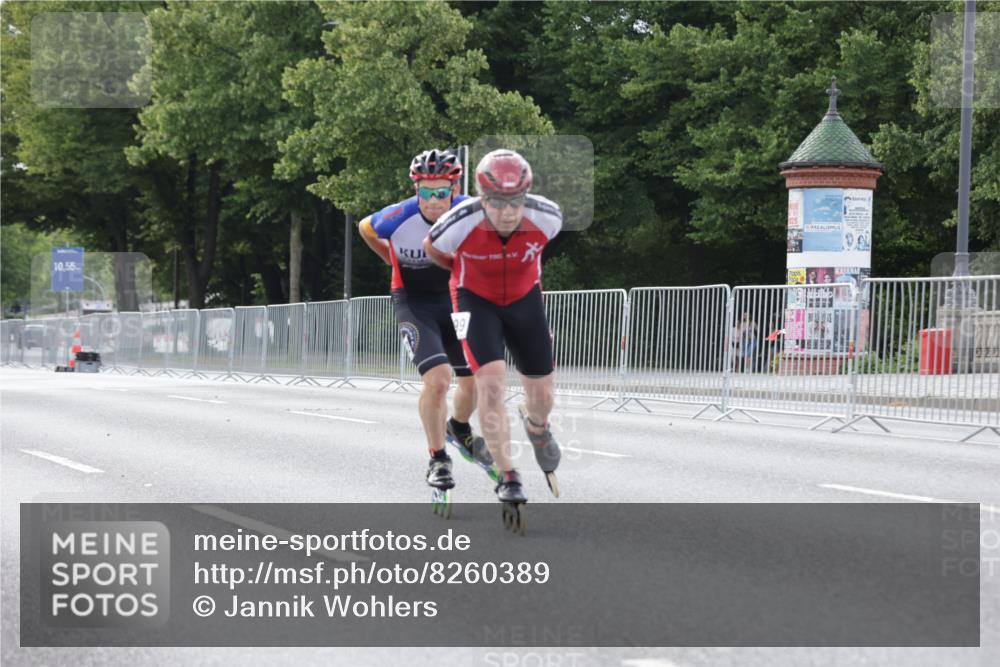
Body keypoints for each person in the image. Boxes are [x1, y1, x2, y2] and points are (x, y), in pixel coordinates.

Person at [424, 149, 563, 504]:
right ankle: (507, 474)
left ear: (526, 195)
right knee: (490, 383)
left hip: (524, 298)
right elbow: (434, 250)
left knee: (543, 394)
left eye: (515, 202)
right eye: (498, 203)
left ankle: (537, 427)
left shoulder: (547, 217)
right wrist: (462, 269)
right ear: (482, 197)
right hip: (473, 299)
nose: (508, 212)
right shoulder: (459, 221)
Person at [358, 148, 494, 494]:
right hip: (415, 303)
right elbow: (365, 228)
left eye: (440, 191)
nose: (433, 200)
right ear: (415, 188)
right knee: (437, 380)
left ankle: (459, 428)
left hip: (456, 303)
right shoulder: (398, 217)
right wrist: (393, 260)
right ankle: (438, 458)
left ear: (454, 188)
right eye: (425, 191)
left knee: (474, 379)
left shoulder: (472, 212)